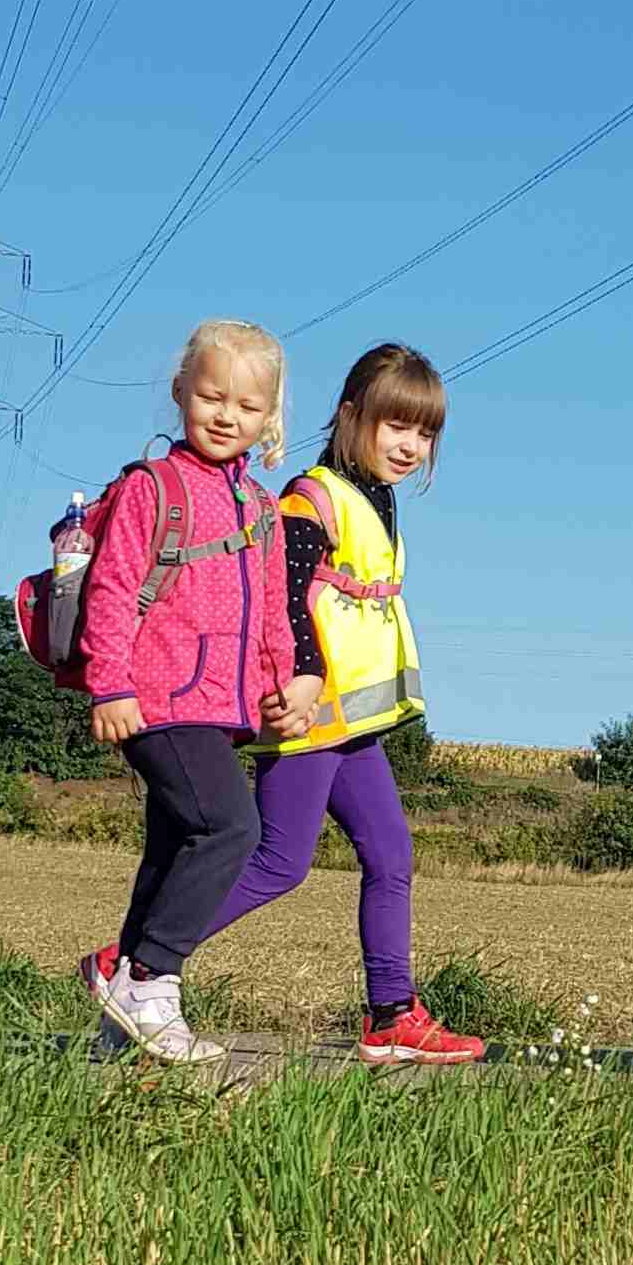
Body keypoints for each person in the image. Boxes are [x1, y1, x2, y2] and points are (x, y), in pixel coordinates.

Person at [198, 342, 486, 1067]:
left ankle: (391, 1014)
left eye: (425, 433)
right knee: (279, 863)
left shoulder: (377, 499)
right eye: (397, 426)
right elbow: (285, 598)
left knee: (391, 856)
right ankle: (136, 961)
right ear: (351, 415)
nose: (411, 446)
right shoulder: (315, 497)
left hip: (354, 724)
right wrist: (297, 678)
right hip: (310, 713)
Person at [75, 319, 310, 1067]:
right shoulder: (153, 487)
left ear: (269, 417)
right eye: (212, 397)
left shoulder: (262, 509)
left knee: (174, 845)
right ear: (181, 392)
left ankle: (122, 1016)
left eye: (247, 406)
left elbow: (272, 613)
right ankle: (152, 977)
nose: (226, 416)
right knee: (231, 827)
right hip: (154, 698)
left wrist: (280, 685)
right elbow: (113, 589)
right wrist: (109, 685)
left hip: (219, 708)